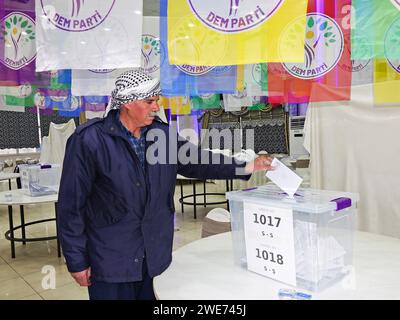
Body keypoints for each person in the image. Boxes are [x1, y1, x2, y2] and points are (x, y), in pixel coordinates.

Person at [57, 69, 274, 300]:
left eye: (157, 100)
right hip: (111, 262)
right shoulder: (89, 140)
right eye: (149, 101)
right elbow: (72, 205)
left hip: (155, 257)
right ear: (128, 103)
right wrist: (77, 259)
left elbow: (200, 161)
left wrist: (248, 166)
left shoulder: (163, 136)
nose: (156, 106)